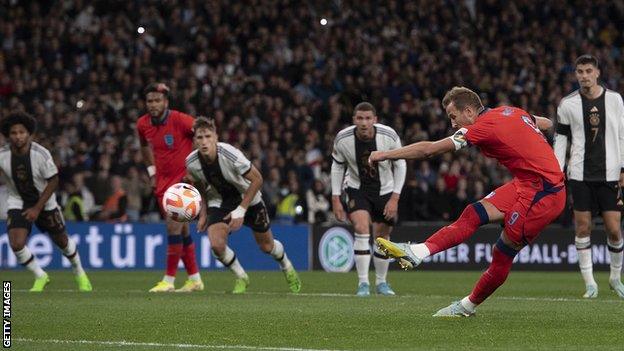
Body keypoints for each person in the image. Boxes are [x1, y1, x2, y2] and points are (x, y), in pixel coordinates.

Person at [371, 87, 564, 316]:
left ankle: (466, 306)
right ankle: (417, 252)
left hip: (545, 193)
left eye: (454, 116)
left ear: (470, 111)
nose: (453, 123)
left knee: (502, 252)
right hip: (526, 182)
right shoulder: (510, 110)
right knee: (473, 213)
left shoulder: (481, 127)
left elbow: (429, 150)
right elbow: (545, 122)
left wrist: (384, 155)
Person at [186, 117, 301, 294]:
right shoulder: (191, 162)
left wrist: (240, 210)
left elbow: (257, 179)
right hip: (220, 201)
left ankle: (287, 266)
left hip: (248, 198)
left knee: (267, 247)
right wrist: (203, 213)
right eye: (199, 138)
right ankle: (241, 277)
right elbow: (200, 186)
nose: (204, 142)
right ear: (194, 140)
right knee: (216, 245)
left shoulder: (230, 154)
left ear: (216, 137)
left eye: (208, 136)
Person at [553, 54, 624, 298]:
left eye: (588, 71)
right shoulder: (567, 104)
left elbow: (622, 135)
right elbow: (561, 140)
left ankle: (615, 278)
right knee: (583, 227)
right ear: (576, 75)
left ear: (597, 73)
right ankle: (590, 284)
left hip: (611, 173)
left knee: (614, 229)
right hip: (580, 175)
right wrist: (556, 170)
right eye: (580, 72)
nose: (584, 75)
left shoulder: (615, 100)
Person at [0, 112, 92, 292]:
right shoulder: (3, 155)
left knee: (61, 241)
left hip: (45, 201)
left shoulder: (40, 154)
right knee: (16, 243)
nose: (18, 136)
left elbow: (54, 180)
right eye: (14, 133)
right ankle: (40, 275)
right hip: (18, 200)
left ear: (29, 134)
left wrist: (37, 208)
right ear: (8, 135)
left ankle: (79, 271)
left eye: (22, 132)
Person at [331, 102, 406, 296]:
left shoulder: (389, 135)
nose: (364, 123)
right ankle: (363, 283)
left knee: (382, 237)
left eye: (367, 118)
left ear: (375, 120)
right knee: (361, 228)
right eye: (360, 118)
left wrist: (395, 198)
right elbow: (338, 166)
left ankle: (381, 282)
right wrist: (336, 198)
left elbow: (401, 165)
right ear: (354, 120)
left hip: (386, 190)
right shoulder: (343, 139)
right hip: (357, 188)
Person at [136, 83, 203, 292]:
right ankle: (195, 279)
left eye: (157, 100)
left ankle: (168, 280)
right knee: (182, 230)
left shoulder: (180, 120)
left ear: (166, 102)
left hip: (183, 181)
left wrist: (193, 168)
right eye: (150, 101)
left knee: (172, 226)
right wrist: (152, 172)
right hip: (162, 183)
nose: (153, 104)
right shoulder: (142, 124)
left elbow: (204, 133)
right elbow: (144, 146)